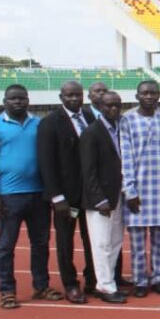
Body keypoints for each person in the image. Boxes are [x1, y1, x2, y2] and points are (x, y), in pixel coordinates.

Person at [0, 85, 57, 309]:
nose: (17, 102)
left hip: (39, 195)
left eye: (21, 98)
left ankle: (41, 285)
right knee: (6, 246)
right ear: (4, 101)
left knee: (40, 243)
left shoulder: (38, 124)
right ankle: (7, 291)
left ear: (28, 100)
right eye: (13, 98)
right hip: (9, 196)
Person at [37, 80, 97, 303]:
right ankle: (70, 284)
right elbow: (46, 162)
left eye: (77, 95)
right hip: (66, 198)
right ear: (61, 97)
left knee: (92, 239)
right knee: (65, 242)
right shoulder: (49, 123)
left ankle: (92, 279)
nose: (74, 99)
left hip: (89, 195)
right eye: (69, 95)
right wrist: (56, 196)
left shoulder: (89, 117)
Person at [121, 80, 160, 297]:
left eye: (153, 93)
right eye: (145, 93)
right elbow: (126, 157)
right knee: (137, 242)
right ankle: (140, 280)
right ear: (137, 96)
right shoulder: (127, 119)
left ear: (159, 95)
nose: (149, 97)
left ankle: (159, 277)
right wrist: (129, 190)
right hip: (137, 190)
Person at [79, 91, 127, 303]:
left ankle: (107, 282)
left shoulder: (122, 129)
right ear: (100, 107)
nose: (114, 109)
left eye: (117, 105)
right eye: (109, 105)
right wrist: (99, 200)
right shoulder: (92, 132)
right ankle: (105, 286)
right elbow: (88, 170)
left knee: (116, 241)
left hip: (118, 195)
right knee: (101, 244)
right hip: (101, 200)